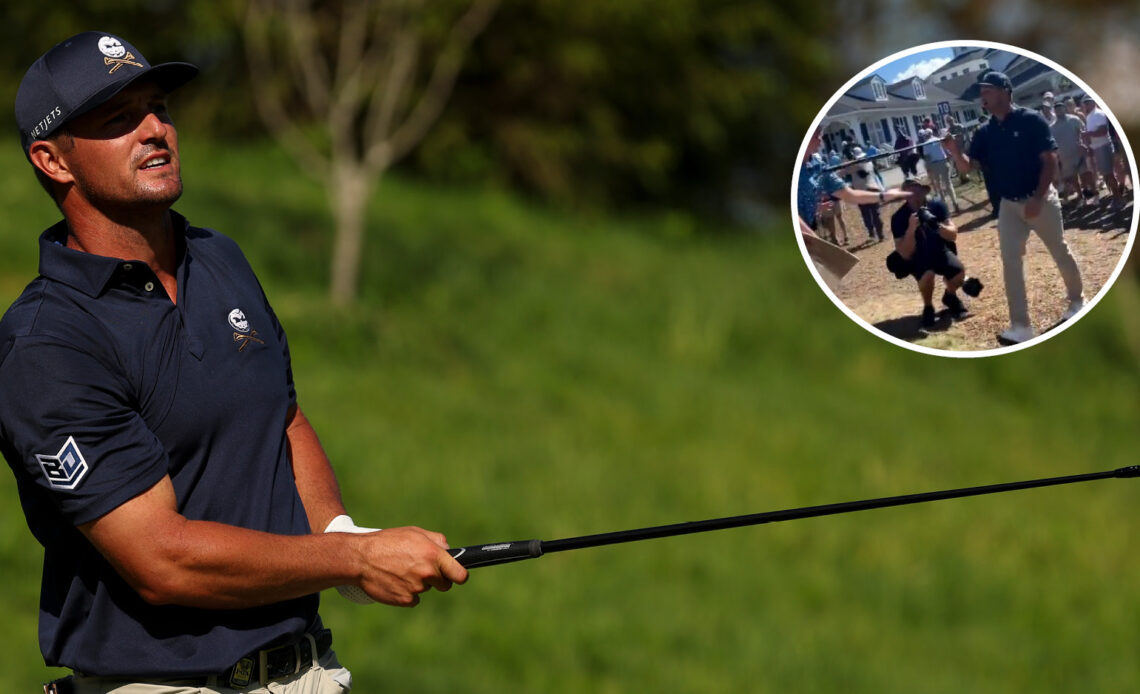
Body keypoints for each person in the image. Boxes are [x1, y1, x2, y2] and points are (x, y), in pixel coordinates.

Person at [0, 32, 468, 694]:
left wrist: (338, 529)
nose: (155, 130)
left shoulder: (219, 258)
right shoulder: (47, 345)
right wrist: (352, 558)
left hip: (305, 672)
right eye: (118, 119)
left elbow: (280, 415)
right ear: (53, 160)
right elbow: (162, 561)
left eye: (159, 107)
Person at [943, 71, 1085, 345]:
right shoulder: (985, 132)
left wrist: (1037, 198)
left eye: (987, 90)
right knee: (1010, 262)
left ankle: (1077, 301)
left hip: (1040, 198)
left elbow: (1049, 160)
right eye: (981, 92)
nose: (982, 96)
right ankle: (1021, 326)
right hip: (1008, 204)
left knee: (1059, 249)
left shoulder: (1031, 120)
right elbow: (967, 167)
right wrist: (953, 150)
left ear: (1005, 91)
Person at [797, 127, 911, 239]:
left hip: (809, 230)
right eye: (816, 135)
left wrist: (885, 195)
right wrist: (814, 240)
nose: (820, 139)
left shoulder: (818, 165)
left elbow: (849, 194)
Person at [889, 177, 968, 328]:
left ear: (924, 192)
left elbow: (953, 235)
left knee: (959, 272)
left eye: (918, 191)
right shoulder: (898, 218)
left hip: (939, 251)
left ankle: (950, 297)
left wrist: (937, 226)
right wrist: (911, 229)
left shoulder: (936, 206)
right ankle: (928, 307)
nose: (915, 196)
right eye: (910, 193)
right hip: (917, 257)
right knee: (927, 275)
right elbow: (904, 253)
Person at [1081, 95, 1125, 208]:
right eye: (1084, 103)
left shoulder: (1098, 114)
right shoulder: (1090, 116)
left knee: (1109, 175)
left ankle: (1118, 199)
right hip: (1098, 148)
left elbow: (1103, 131)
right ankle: (1116, 198)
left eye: (1087, 102)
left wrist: (1087, 134)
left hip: (1103, 146)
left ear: (1092, 102)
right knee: (1106, 175)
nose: (1085, 105)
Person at [1045, 99, 1087, 203]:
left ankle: (1089, 194)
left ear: (1064, 109)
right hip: (1064, 156)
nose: (1059, 111)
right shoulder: (1051, 127)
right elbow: (1051, 144)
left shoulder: (1074, 119)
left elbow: (1083, 132)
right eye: (1057, 109)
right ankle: (1080, 196)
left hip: (1078, 152)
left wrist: (1084, 145)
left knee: (1085, 174)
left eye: (1061, 108)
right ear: (1055, 111)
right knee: (1073, 178)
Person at [918, 118, 961, 214]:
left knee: (939, 186)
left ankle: (945, 206)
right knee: (948, 184)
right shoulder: (939, 140)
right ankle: (955, 203)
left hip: (934, 165)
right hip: (943, 162)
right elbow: (946, 150)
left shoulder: (925, 144)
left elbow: (927, 158)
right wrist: (948, 157)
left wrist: (928, 168)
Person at [845, 146, 885, 242]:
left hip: (862, 193)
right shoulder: (869, 163)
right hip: (872, 190)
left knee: (867, 214)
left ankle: (873, 232)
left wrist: (849, 161)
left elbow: (845, 170)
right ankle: (879, 234)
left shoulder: (853, 166)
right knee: (875, 213)